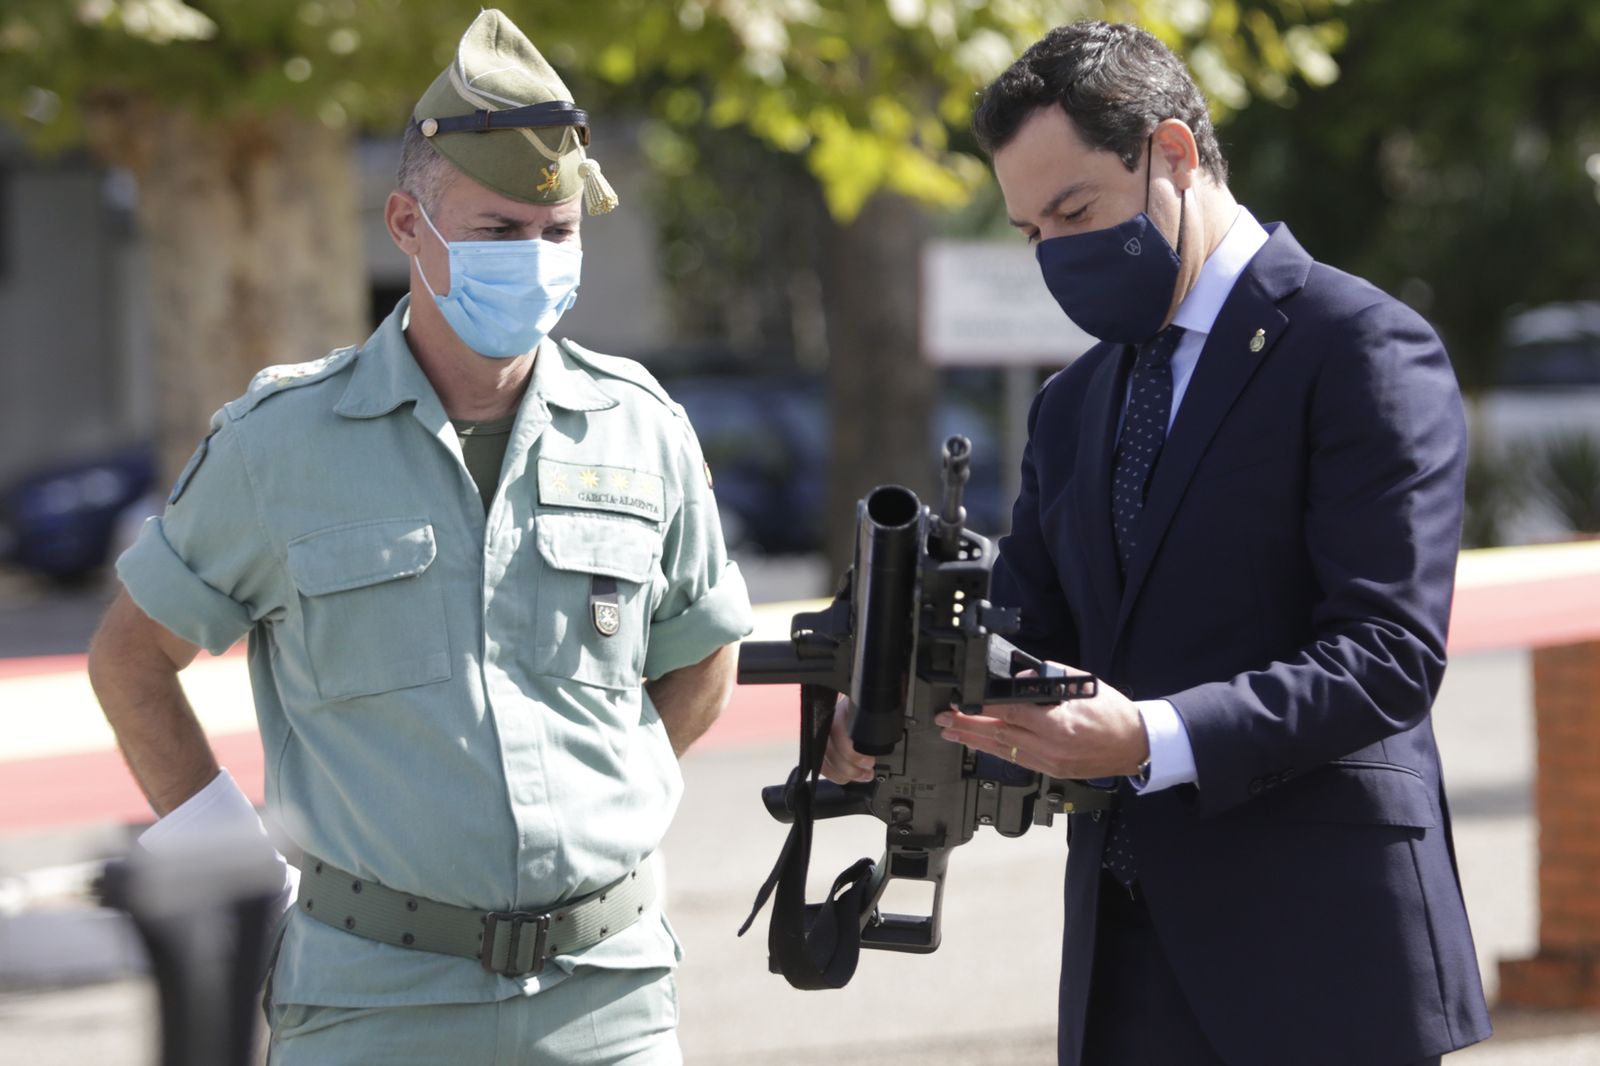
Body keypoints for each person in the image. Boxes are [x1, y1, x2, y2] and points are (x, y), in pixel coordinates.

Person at [86, 10, 752, 1064]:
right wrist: (231, 861)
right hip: (371, 1003)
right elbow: (132, 656)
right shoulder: (282, 444)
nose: (535, 260)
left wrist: (615, 788)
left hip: (605, 998)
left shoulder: (642, 427)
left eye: (559, 232)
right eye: (498, 233)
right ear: (407, 224)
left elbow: (704, 643)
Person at [826, 20, 1490, 1066]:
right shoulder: (1071, 403)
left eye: (1074, 210)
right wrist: (882, 697)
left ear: (1172, 153)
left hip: (1324, 963)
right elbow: (1024, 629)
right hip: (1127, 968)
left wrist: (1151, 736)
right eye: (1030, 229)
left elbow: (1386, 656)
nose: (1054, 251)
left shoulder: (1359, 345)